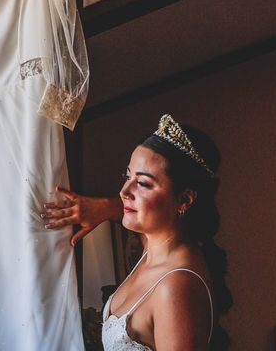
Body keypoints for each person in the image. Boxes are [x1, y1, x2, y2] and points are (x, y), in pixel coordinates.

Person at [42, 114, 232, 350]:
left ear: (184, 199)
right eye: (128, 176)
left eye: (143, 183)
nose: (124, 191)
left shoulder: (175, 288)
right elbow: (133, 209)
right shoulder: (154, 246)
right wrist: (102, 207)